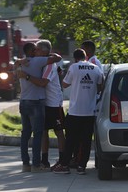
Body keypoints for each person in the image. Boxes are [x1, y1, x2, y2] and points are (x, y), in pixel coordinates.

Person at [53, 48, 103, 175]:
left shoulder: (74, 67)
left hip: (75, 112)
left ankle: (65, 165)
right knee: (86, 141)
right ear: (85, 57)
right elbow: (101, 85)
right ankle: (82, 167)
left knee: (70, 140)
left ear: (75, 58)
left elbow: (64, 84)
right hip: (90, 112)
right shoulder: (95, 68)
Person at [15, 40, 62, 173]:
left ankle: (25, 164)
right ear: (32, 51)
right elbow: (58, 58)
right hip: (37, 102)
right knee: (38, 134)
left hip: (23, 101)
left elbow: (14, 70)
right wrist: (49, 54)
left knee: (25, 134)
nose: (36, 51)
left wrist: (19, 61)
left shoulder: (20, 64)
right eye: (35, 49)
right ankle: (36, 164)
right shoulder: (39, 61)